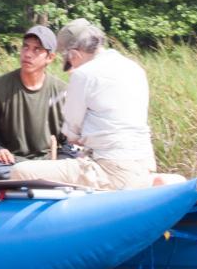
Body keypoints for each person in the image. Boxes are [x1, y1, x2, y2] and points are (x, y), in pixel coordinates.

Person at [9, 19, 156, 190]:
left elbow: (72, 134)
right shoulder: (134, 67)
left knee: (20, 171)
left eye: (69, 61)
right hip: (145, 165)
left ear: (74, 55)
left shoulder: (83, 74)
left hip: (111, 170)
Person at [0, 25, 76, 180]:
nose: (28, 54)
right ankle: (36, 181)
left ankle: (37, 180)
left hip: (48, 165)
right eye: (25, 47)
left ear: (50, 57)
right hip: (14, 163)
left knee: (78, 161)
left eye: (37, 50)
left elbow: (70, 141)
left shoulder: (62, 91)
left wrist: (60, 163)